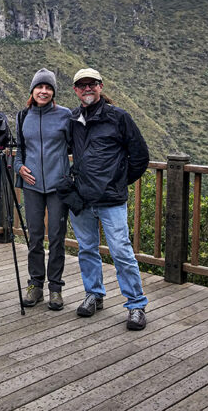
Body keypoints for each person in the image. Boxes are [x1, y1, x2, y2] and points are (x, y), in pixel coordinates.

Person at [69, 68, 150, 330]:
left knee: (121, 251)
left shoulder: (119, 117)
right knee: (87, 249)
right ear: (76, 91)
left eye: (91, 84)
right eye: (82, 85)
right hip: (81, 199)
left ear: (101, 86)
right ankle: (94, 294)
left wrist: (118, 180)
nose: (87, 88)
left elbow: (140, 156)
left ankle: (136, 304)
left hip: (111, 199)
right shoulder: (73, 119)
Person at [13, 68, 71, 311]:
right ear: (32, 90)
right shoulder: (22, 115)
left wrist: (69, 173)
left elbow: (76, 146)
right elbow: (19, 148)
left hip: (58, 186)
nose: (44, 91)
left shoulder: (65, 115)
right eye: (40, 87)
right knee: (34, 237)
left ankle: (55, 288)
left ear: (53, 92)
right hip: (32, 186)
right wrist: (18, 166)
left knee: (57, 237)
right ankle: (35, 285)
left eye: (48, 88)